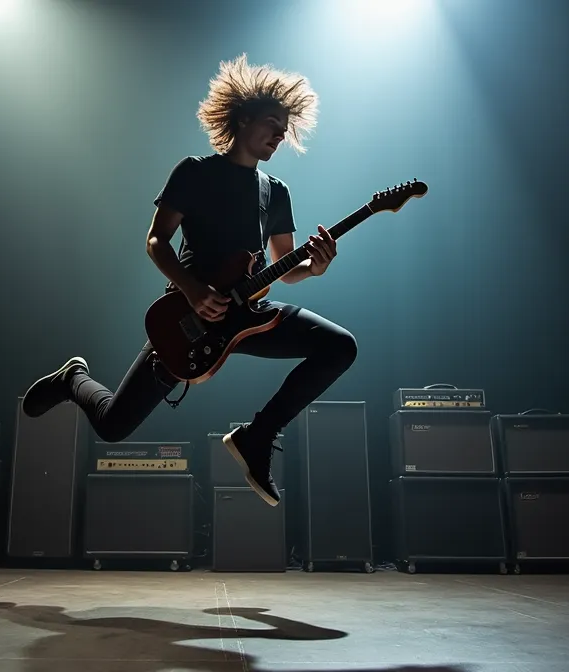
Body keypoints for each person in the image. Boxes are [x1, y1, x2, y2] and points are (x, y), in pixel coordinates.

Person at [20, 54, 358, 507]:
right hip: (189, 317)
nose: (281, 134)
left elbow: (286, 266)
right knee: (114, 426)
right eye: (274, 123)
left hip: (249, 314)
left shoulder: (274, 192)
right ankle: (72, 379)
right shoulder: (195, 172)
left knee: (340, 346)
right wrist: (194, 291)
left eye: (286, 127)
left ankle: (257, 436)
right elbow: (157, 241)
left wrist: (314, 267)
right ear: (243, 118)